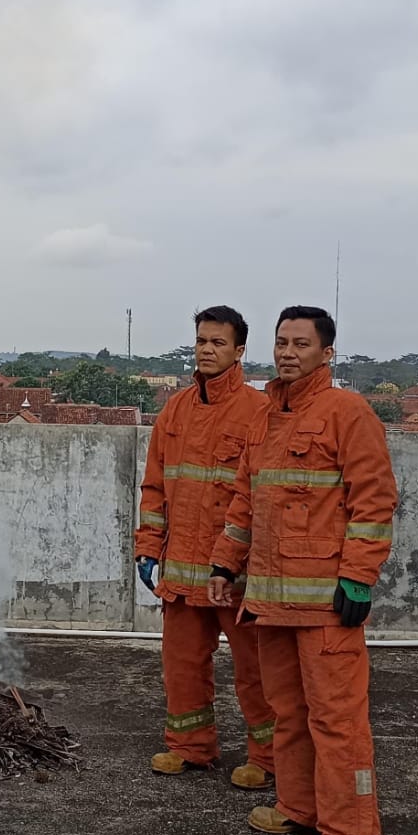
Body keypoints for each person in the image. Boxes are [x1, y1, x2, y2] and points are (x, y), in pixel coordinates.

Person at [208, 306, 397, 835]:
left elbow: (374, 500)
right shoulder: (266, 419)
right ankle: (298, 808)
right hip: (269, 601)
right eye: (281, 342)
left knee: (336, 721)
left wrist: (359, 577)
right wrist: (224, 562)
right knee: (287, 713)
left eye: (301, 344)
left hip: (324, 606)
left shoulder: (348, 412)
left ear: (326, 352)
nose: (288, 352)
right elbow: (245, 498)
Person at [135, 306, 277, 788]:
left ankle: (270, 758)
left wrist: (237, 562)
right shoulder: (174, 410)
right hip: (181, 569)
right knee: (181, 667)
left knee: (257, 672)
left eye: (218, 343)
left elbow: (262, 496)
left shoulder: (259, 412)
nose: (207, 350)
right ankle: (190, 748)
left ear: (239, 351)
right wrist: (148, 545)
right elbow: (155, 486)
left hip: (234, 574)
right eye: (201, 341)